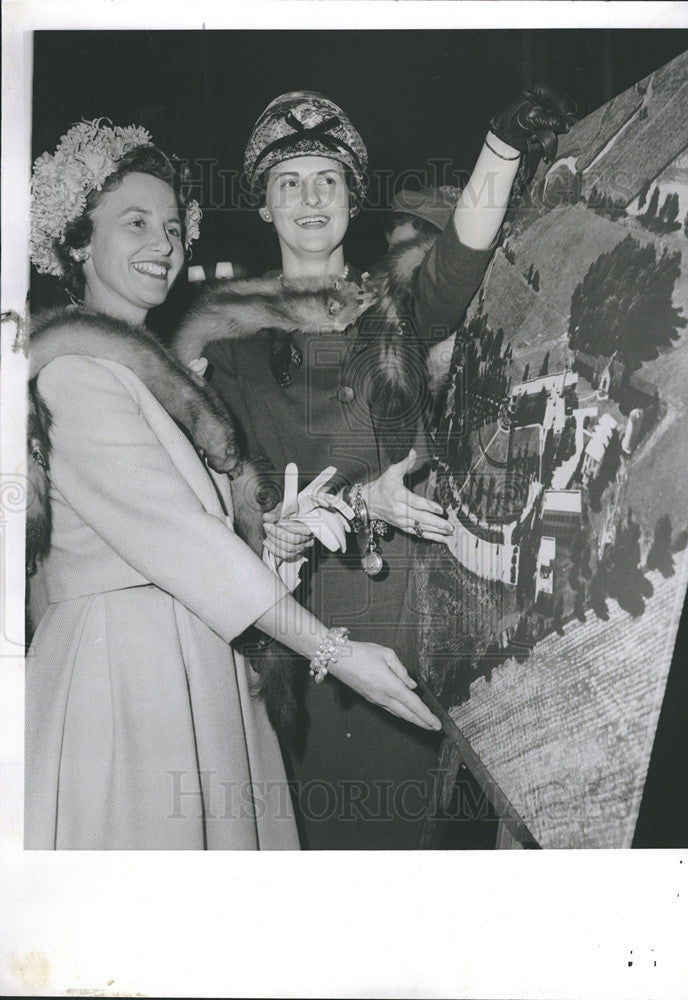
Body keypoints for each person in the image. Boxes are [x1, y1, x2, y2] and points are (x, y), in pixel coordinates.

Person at [24, 118, 439, 851]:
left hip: (193, 653)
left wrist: (290, 532)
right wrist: (336, 653)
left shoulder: (157, 380)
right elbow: (186, 546)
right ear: (78, 245)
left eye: (173, 226)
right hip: (126, 680)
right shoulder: (74, 374)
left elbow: (210, 541)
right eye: (135, 224)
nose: (164, 244)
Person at [179, 88, 574, 849]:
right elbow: (227, 521)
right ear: (261, 204)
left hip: (433, 602)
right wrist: (358, 504)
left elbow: (461, 257)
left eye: (327, 179)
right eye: (287, 182)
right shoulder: (224, 344)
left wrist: (499, 145)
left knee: (435, 845)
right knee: (340, 840)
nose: (309, 198)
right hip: (322, 625)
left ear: (351, 197)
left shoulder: (392, 304)